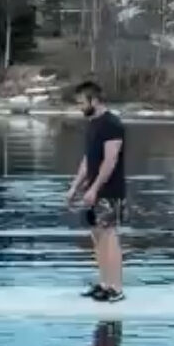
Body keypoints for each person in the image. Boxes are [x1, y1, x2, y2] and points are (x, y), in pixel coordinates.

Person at [66, 81, 126, 302]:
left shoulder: (112, 124)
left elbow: (110, 160)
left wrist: (95, 188)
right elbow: (88, 160)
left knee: (109, 235)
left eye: (82, 102)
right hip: (93, 189)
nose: (79, 107)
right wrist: (75, 186)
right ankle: (104, 283)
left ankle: (116, 287)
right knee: (97, 236)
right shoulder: (93, 125)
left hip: (109, 190)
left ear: (94, 100)